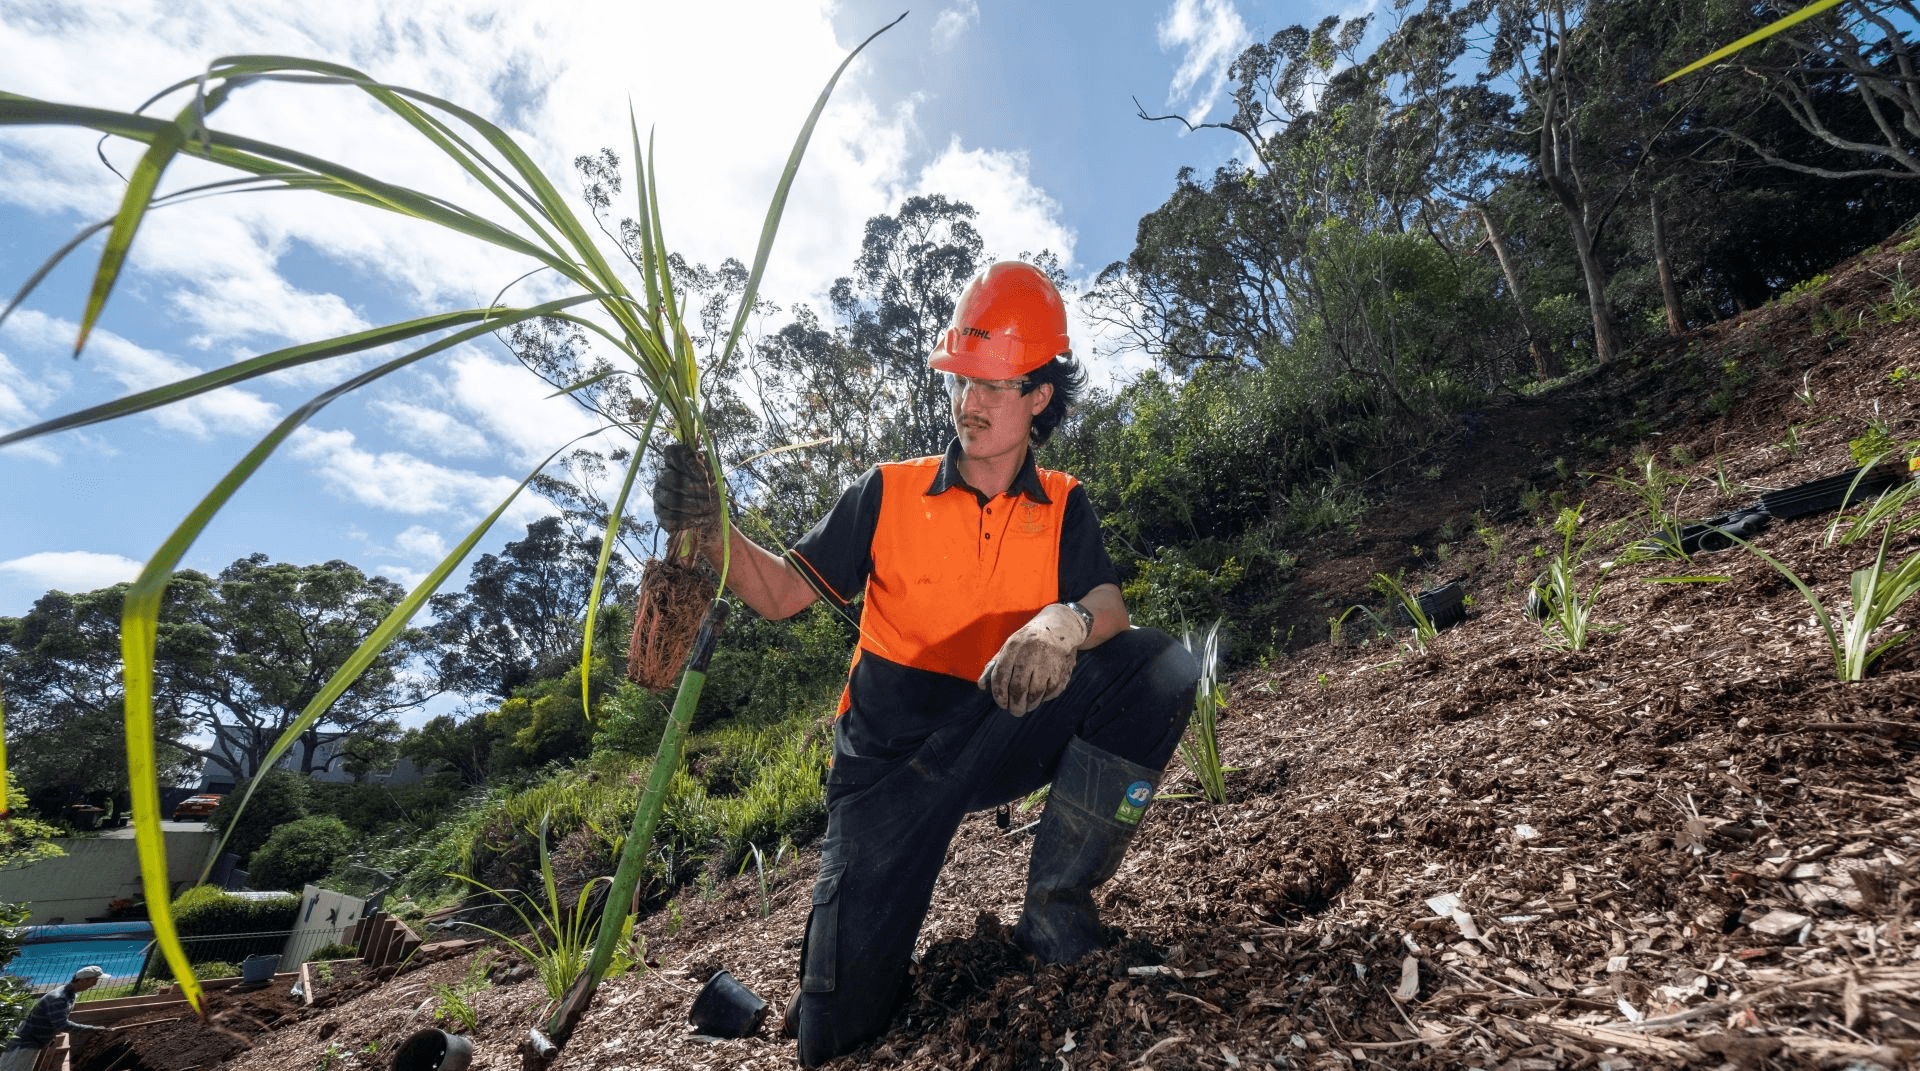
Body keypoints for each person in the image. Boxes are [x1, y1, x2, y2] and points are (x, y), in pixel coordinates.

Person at [654, 260, 1200, 1066]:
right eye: (961, 381)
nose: (968, 402)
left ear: (1040, 396)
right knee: (834, 1035)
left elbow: (1111, 608)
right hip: (885, 770)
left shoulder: (1063, 503)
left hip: (994, 730)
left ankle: (1056, 912)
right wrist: (709, 527)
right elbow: (774, 593)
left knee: (1159, 668)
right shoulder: (889, 492)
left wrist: (1065, 620)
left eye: (992, 384)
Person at [0, 966, 108, 1069]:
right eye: (94, 980)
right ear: (83, 980)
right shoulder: (59, 998)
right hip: (23, 1045)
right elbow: (62, 1025)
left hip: (34, 1042)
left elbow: (53, 1021)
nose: (94, 984)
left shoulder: (70, 994)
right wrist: (92, 1029)